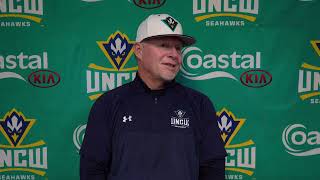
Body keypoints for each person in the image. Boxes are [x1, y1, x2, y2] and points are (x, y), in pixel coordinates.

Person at [80, 14, 227, 180]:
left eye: (178, 48)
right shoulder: (108, 104)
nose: (174, 54)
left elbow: (213, 169)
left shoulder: (199, 104)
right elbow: (92, 170)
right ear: (139, 51)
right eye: (164, 45)